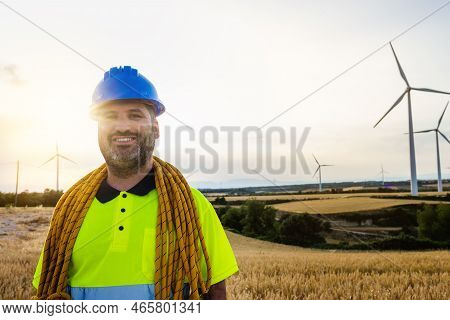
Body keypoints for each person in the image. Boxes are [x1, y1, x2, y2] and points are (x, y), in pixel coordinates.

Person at [31, 66, 239, 300]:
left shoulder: (192, 206)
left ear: (156, 128)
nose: (123, 126)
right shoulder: (68, 211)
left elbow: (216, 293)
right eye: (110, 116)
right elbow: (47, 291)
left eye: (135, 115)